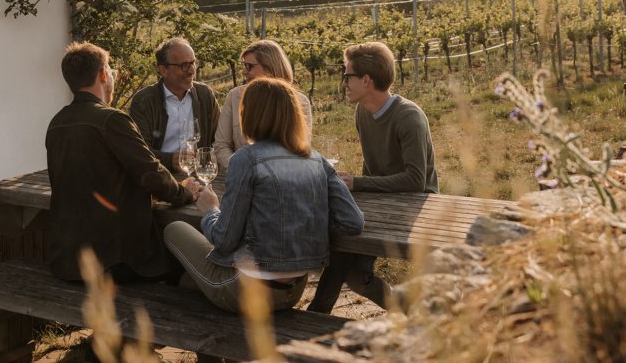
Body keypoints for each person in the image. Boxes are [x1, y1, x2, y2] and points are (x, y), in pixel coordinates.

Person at [163, 78, 364, 312]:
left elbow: (224, 239)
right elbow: (353, 221)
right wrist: (303, 220)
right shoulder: (317, 160)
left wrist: (210, 210)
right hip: (294, 291)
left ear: (249, 114)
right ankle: (208, 345)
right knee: (187, 284)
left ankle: (150, 332)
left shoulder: (246, 159)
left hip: (247, 291)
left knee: (173, 228)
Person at [45, 41, 199, 283]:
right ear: (103, 74)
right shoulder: (112, 120)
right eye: (111, 71)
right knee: (188, 269)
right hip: (115, 261)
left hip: (67, 259)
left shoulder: (57, 122)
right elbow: (152, 176)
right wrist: (185, 193)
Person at [307, 41, 439, 313]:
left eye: (347, 76)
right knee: (352, 268)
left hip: (417, 205)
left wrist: (358, 183)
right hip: (384, 200)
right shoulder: (363, 112)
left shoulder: (409, 117)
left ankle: (316, 316)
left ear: (366, 80)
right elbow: (372, 166)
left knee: (346, 256)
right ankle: (402, 306)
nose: (344, 83)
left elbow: (416, 181)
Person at [213, 39, 313, 171]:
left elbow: (301, 147)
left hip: (282, 177)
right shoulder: (234, 96)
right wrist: (242, 169)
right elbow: (221, 145)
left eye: (249, 66)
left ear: (269, 68)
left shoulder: (300, 102)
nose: (244, 71)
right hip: (242, 178)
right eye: (243, 65)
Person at [130, 38, 220, 171]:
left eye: (193, 63)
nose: (191, 70)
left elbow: (218, 140)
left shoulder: (204, 95)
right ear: (163, 70)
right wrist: (169, 160)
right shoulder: (144, 102)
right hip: (160, 176)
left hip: (198, 175)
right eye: (184, 65)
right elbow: (138, 152)